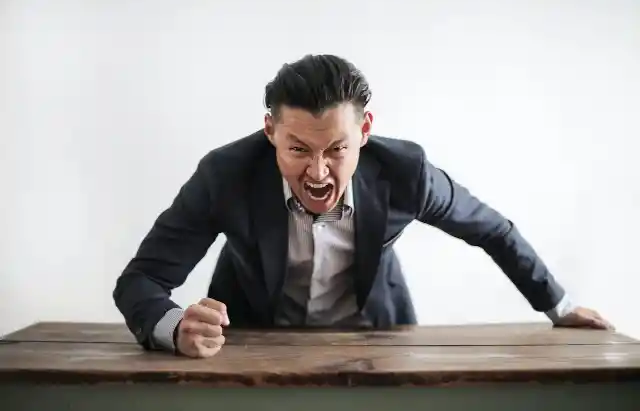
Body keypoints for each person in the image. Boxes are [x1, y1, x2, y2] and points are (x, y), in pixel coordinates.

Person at [113, 54, 613, 358]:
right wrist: (174, 328)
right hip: (252, 344)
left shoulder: (406, 173)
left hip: (376, 341)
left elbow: (493, 230)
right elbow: (140, 280)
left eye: (337, 149)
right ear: (270, 132)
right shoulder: (225, 176)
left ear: (365, 131)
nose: (318, 173)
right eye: (298, 149)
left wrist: (560, 307)